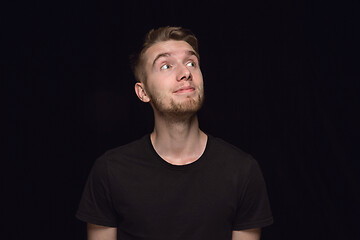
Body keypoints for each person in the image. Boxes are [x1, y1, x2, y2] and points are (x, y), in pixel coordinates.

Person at [76, 26, 273, 240]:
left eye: (191, 63)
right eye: (166, 65)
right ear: (143, 92)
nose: (185, 73)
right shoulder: (109, 171)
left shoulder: (242, 171)